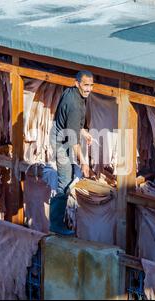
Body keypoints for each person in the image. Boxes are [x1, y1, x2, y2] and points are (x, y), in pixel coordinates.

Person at [49, 70, 94, 235]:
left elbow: (71, 124)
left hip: (61, 134)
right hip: (61, 141)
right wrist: (84, 161)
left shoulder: (72, 93)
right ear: (77, 84)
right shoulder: (74, 104)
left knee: (67, 177)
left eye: (91, 85)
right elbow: (73, 140)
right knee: (64, 181)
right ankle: (56, 225)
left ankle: (57, 222)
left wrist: (83, 131)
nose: (88, 89)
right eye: (85, 85)